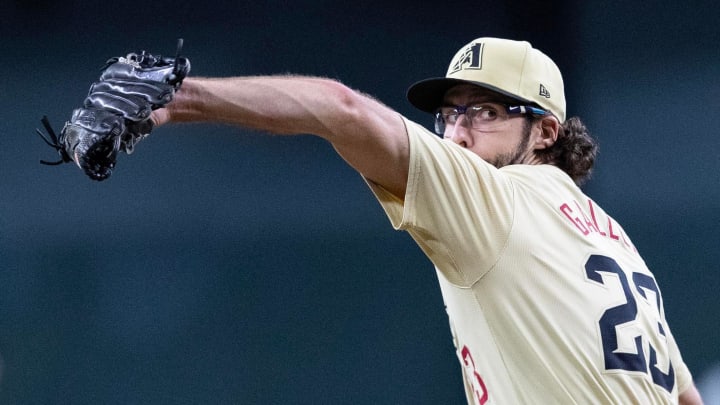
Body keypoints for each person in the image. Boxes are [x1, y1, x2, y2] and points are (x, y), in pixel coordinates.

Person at [147, 37, 703, 404]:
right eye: (448, 114)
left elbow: (343, 109)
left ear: (546, 131)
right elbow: (684, 395)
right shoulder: (616, 242)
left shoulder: (497, 199)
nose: (458, 133)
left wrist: (177, 97)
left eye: (485, 111)